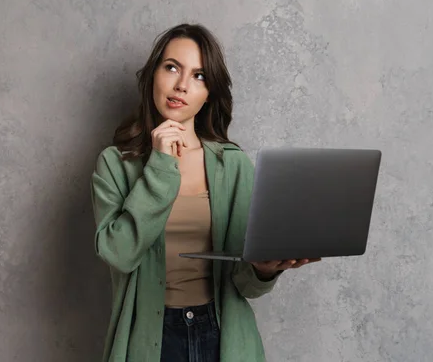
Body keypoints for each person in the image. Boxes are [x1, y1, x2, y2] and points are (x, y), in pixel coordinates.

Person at [90, 23, 320, 362]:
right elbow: (118, 254)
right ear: (153, 75)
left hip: (222, 337)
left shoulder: (233, 165)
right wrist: (160, 168)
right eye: (172, 68)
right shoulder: (115, 163)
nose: (182, 85)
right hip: (152, 340)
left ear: (209, 92)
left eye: (199, 76)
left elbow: (244, 284)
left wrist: (265, 270)